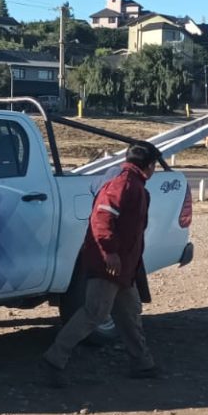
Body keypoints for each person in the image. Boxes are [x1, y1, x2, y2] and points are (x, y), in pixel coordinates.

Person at [40, 143, 161, 387]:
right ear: (149, 166)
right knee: (93, 313)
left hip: (123, 267)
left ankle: (142, 363)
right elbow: (101, 220)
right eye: (155, 165)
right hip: (109, 265)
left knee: (129, 313)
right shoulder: (124, 184)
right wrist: (109, 253)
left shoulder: (129, 182)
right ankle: (53, 359)